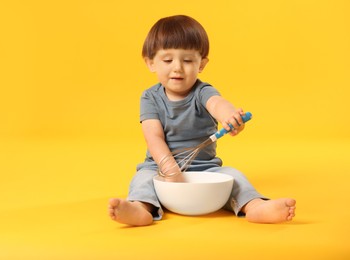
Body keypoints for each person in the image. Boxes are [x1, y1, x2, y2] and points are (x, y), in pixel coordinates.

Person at [108, 15, 296, 226]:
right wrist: (170, 169)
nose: (178, 67)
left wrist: (230, 116)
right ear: (151, 62)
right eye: (168, 60)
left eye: (187, 60)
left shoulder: (202, 92)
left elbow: (217, 104)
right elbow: (153, 137)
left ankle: (255, 206)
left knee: (234, 176)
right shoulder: (150, 97)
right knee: (142, 180)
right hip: (160, 168)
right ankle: (140, 208)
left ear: (202, 64)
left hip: (205, 169)